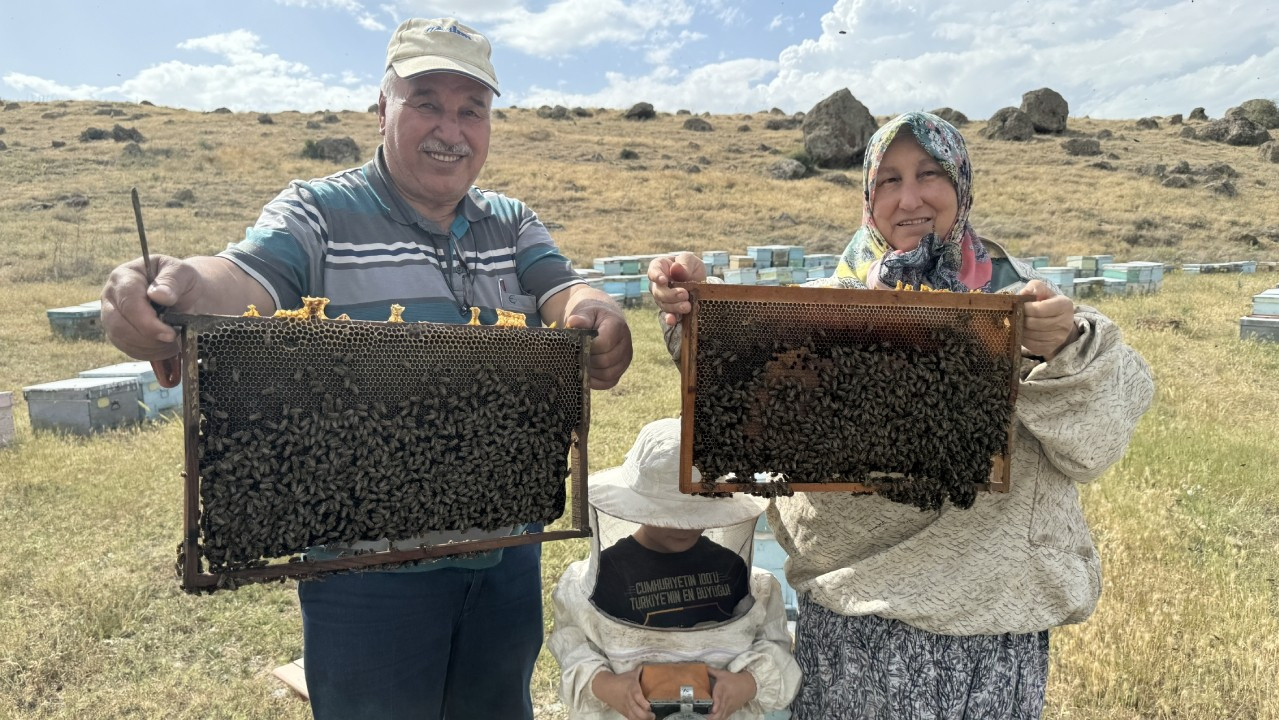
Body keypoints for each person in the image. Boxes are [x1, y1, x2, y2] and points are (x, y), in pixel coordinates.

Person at [101, 17, 632, 720]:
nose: (452, 127)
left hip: (504, 556)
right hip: (366, 573)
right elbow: (237, 280)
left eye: (471, 109)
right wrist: (173, 292)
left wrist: (597, 310)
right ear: (382, 108)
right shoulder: (316, 215)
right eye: (427, 102)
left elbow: (564, 288)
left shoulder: (511, 222)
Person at [647, 111, 1154, 718]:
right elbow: (739, 398)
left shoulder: (1022, 302)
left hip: (991, 631)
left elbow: (1097, 440)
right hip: (856, 625)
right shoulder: (816, 311)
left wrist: (1066, 344)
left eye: (929, 173)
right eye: (888, 179)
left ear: (961, 185)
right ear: (868, 196)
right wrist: (696, 308)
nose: (908, 197)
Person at [548, 417, 801, 720]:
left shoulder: (734, 570)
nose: (683, 527)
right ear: (637, 504)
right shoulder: (606, 576)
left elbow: (773, 645)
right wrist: (608, 686)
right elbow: (573, 648)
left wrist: (746, 684)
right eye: (669, 514)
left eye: (694, 513)